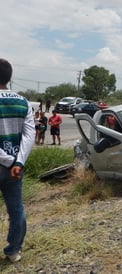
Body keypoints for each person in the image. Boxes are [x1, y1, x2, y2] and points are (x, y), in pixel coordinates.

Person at [0, 58, 36, 262]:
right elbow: (29, 136)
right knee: (16, 209)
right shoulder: (23, 102)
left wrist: (7, 160)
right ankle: (14, 250)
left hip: (7, 163)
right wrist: (18, 162)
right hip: (15, 168)